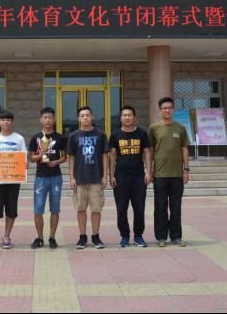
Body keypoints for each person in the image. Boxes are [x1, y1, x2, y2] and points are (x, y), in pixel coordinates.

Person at [147, 97, 191, 248]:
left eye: (169, 108)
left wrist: (186, 170)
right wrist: (149, 171)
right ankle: (161, 237)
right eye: (164, 108)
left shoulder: (180, 128)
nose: (167, 110)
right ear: (160, 110)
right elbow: (150, 150)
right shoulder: (154, 128)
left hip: (177, 174)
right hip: (160, 175)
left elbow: (184, 149)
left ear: (173, 109)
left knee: (176, 207)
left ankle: (176, 237)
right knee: (160, 207)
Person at [0, 111, 28, 249]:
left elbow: (23, 158)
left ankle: (7, 236)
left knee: (11, 210)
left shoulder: (19, 139)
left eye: (8, 119)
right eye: (3, 120)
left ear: (12, 122)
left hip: (13, 181)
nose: (5, 122)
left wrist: (25, 164)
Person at [68, 106, 109, 249]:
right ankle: (82, 237)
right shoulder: (73, 136)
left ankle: (96, 236)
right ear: (78, 118)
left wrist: (105, 176)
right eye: (82, 115)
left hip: (96, 178)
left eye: (87, 115)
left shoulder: (100, 134)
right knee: (80, 209)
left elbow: (105, 156)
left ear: (92, 117)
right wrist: (71, 177)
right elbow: (71, 158)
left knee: (96, 209)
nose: (85, 117)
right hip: (80, 178)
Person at [109, 105, 150, 248]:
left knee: (139, 207)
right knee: (121, 208)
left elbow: (147, 153)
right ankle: (124, 236)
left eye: (129, 115)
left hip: (138, 176)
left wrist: (149, 172)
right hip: (121, 176)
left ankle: (138, 236)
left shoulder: (142, 134)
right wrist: (111, 175)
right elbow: (112, 156)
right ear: (120, 118)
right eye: (124, 115)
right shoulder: (115, 135)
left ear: (134, 117)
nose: (127, 117)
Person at [29, 107, 66, 249]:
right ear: (41, 119)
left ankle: (52, 237)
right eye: (45, 117)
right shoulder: (36, 137)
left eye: (50, 117)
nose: (48, 120)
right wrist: (41, 154)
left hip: (56, 176)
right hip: (40, 177)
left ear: (54, 119)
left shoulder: (60, 137)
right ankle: (39, 238)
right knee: (38, 209)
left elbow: (64, 157)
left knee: (55, 209)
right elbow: (31, 158)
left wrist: (55, 162)